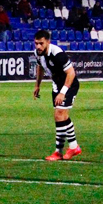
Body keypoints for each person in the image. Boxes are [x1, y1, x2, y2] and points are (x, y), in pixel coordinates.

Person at [33, 30, 82, 161]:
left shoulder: (57, 54)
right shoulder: (38, 53)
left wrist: (63, 92)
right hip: (56, 85)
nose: (38, 46)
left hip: (69, 85)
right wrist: (37, 85)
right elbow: (40, 68)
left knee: (60, 114)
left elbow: (71, 73)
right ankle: (63, 151)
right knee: (60, 117)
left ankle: (71, 147)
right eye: (36, 43)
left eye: (41, 43)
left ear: (48, 42)